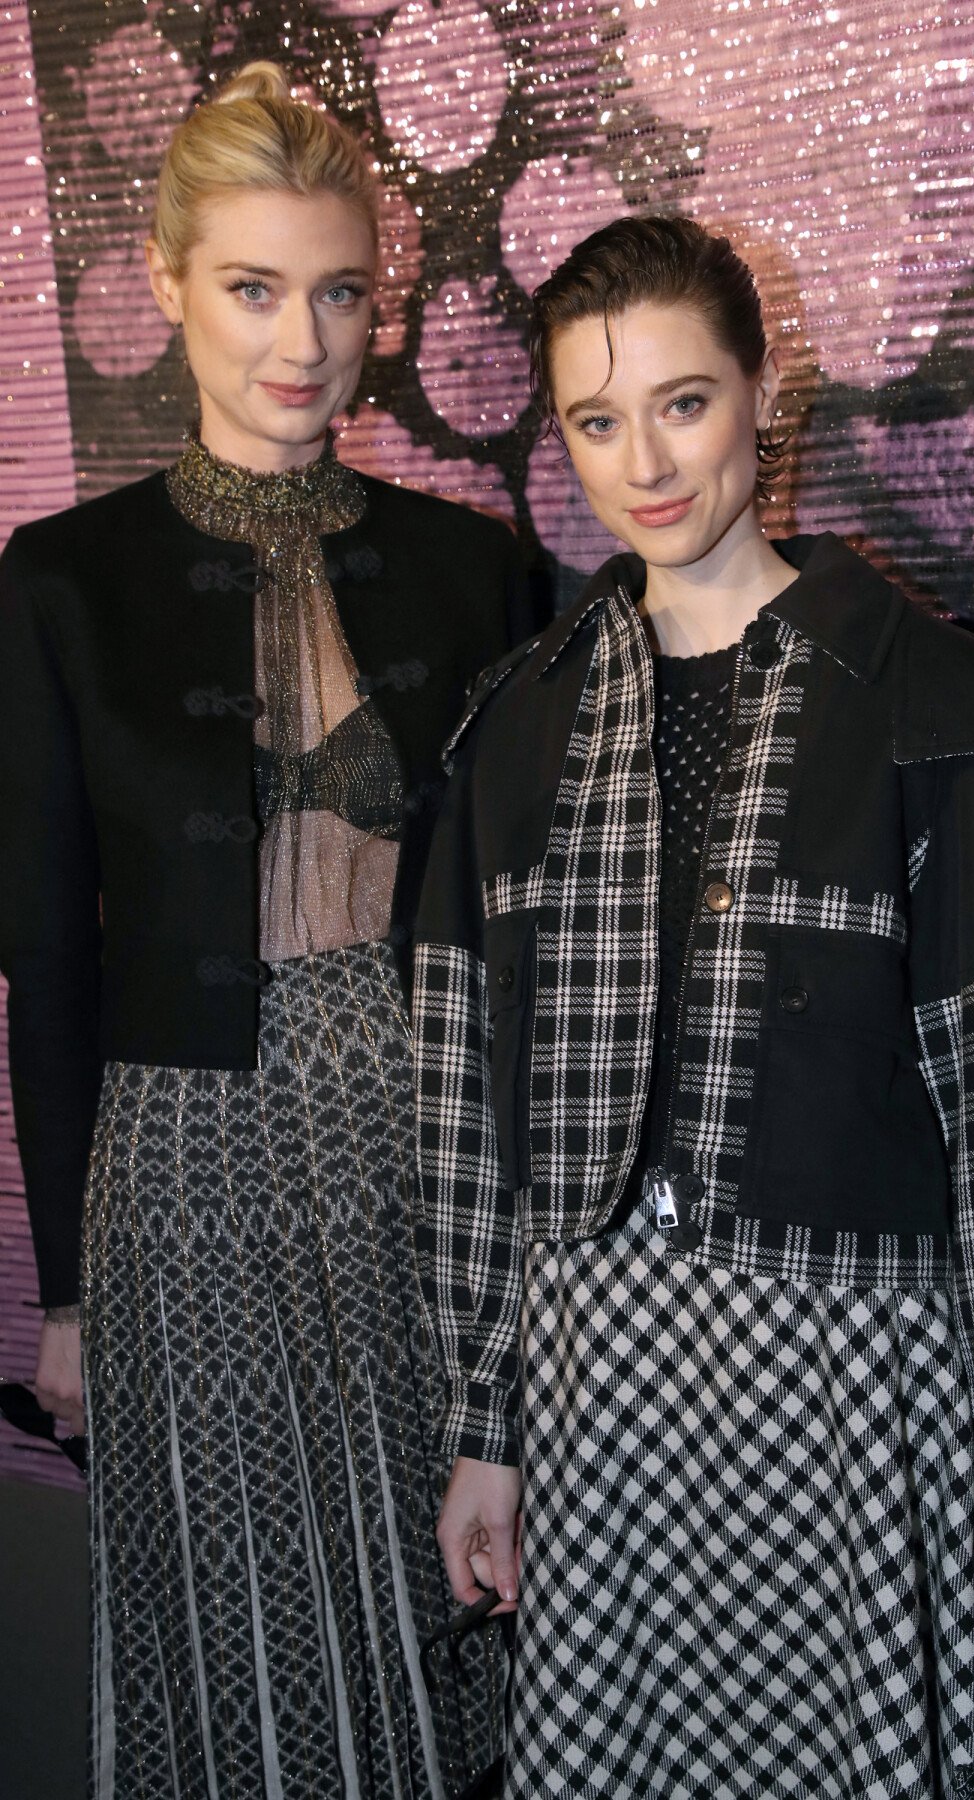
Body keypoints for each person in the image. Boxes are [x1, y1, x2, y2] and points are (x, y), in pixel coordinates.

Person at [410, 216, 974, 1798]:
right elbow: (464, 1116)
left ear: (760, 391)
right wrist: (485, 1420)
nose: (644, 464)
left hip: (855, 1395)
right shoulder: (510, 731)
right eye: (596, 420)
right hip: (599, 1393)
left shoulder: (942, 702)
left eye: (684, 402)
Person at [0, 62, 530, 1800]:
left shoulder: (477, 575)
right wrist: (66, 1295)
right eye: (251, 286)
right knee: (226, 1616)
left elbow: (517, 941)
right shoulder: (60, 582)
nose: (301, 340)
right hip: (177, 1174)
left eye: (338, 290)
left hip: (417, 1156)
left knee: (435, 1595)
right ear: (165, 284)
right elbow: (50, 962)